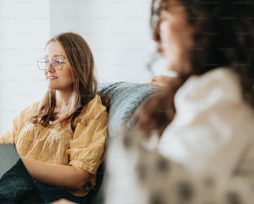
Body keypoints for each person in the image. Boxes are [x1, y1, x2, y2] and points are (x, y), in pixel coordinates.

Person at [106, 0, 254, 203]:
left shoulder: (221, 92)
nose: (155, 36)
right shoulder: (224, 90)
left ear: (204, 16)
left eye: (162, 16)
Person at [0, 32, 109, 204]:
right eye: (46, 61)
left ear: (79, 66)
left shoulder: (92, 111)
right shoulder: (35, 110)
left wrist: (21, 163)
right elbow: (0, 145)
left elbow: (79, 176)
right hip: (17, 184)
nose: (49, 69)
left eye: (58, 61)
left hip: (55, 194)